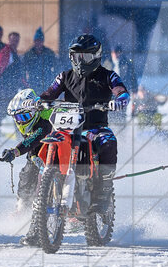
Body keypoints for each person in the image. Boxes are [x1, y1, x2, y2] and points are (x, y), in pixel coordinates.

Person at [39, 34, 129, 213]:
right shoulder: (64, 76)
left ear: (96, 56)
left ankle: (104, 189)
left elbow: (121, 91)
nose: (80, 61)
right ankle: (40, 195)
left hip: (95, 127)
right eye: (76, 56)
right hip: (67, 128)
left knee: (108, 142)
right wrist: (38, 101)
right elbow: (50, 92)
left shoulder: (108, 75)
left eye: (85, 56)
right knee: (40, 144)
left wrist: (120, 100)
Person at [0, 88, 56, 244]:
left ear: (34, 112)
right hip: (38, 154)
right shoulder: (27, 121)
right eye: (17, 117)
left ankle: (71, 213)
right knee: (26, 176)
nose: (21, 121)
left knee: (46, 182)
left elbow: (36, 137)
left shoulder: (47, 116)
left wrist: (15, 151)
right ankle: (22, 207)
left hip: (57, 154)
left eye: (24, 116)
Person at [0, 31, 24, 130]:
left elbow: (19, 73)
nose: (14, 42)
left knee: (13, 112)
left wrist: (24, 84)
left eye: (16, 40)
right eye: (13, 40)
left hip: (12, 89)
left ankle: (18, 135)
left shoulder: (15, 54)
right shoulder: (5, 52)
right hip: (3, 89)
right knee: (0, 114)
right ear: (9, 40)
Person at [23, 28, 59, 95]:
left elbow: (56, 67)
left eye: (40, 41)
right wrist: (26, 83)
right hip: (33, 83)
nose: (38, 43)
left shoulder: (49, 53)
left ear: (43, 42)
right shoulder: (28, 54)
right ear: (34, 41)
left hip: (47, 83)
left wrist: (54, 82)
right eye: (37, 41)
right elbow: (23, 69)